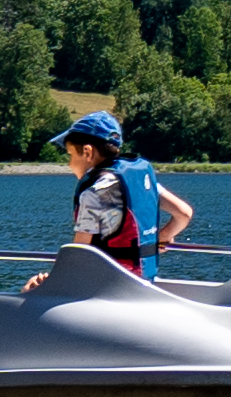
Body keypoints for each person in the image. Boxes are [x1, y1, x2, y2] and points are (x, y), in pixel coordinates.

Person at [53, 108, 189, 279]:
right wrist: (160, 238)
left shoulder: (94, 192)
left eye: (70, 155)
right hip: (144, 282)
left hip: (110, 287)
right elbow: (184, 213)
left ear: (87, 152)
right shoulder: (139, 179)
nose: (69, 164)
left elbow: (80, 255)